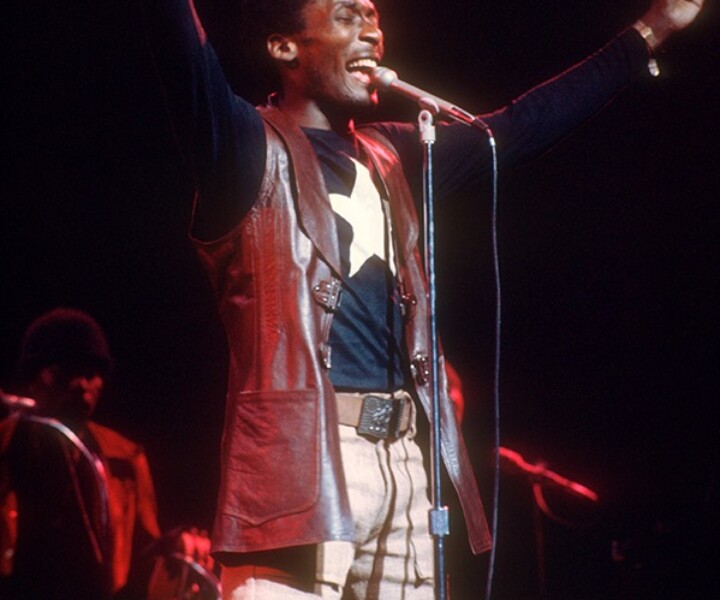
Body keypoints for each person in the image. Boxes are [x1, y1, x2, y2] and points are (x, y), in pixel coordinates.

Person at [138, 1, 705, 598]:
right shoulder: (244, 147)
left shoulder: (397, 155)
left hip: (407, 468)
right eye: (346, 15)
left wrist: (653, 30)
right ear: (286, 48)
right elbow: (178, 44)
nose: (372, 30)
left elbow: (521, 125)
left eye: (374, 17)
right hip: (298, 466)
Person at [0, 307, 216, 599]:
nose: (84, 385)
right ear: (37, 376)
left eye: (93, 373)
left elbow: (142, 548)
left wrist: (175, 545)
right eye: (69, 372)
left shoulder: (124, 457)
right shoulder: (10, 442)